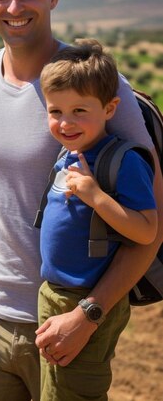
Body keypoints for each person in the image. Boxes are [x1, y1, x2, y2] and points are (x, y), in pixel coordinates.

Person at [0, 0, 163, 401]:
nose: (14, 6)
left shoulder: (99, 87)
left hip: (68, 327)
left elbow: (152, 225)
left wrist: (88, 316)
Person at [37, 39, 157, 401]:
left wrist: (96, 197)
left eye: (79, 111)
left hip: (84, 299)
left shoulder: (123, 160)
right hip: (55, 295)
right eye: (55, 111)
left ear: (110, 108)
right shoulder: (71, 152)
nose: (65, 122)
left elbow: (147, 230)